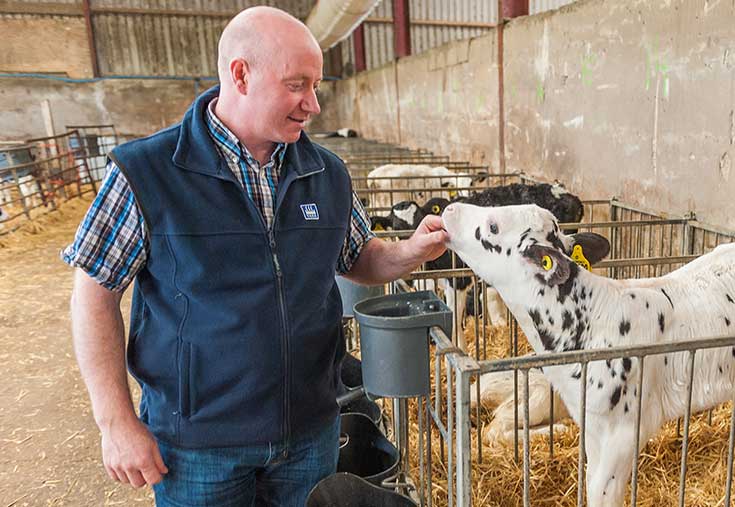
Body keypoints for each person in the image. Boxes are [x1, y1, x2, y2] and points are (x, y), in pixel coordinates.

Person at [61, 6, 448, 505]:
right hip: (198, 445)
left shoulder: (326, 173)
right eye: (296, 84)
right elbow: (94, 292)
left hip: (310, 432)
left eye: (316, 85)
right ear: (240, 74)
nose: (312, 104)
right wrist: (115, 421)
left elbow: (359, 259)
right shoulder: (147, 172)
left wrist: (413, 250)